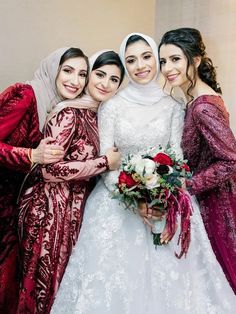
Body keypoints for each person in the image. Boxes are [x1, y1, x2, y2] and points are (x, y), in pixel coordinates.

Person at [51, 33, 236, 314]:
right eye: (131, 60)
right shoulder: (112, 106)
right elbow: (108, 162)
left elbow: (178, 158)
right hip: (115, 201)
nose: (140, 65)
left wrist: (162, 198)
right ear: (125, 66)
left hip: (166, 199)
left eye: (147, 57)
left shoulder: (175, 105)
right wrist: (134, 198)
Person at [17, 50, 125, 314]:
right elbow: (49, 170)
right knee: (43, 288)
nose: (104, 83)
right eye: (99, 74)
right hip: (48, 210)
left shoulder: (99, 115)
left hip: (74, 210)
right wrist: (102, 163)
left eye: (114, 79)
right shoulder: (69, 112)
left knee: (65, 288)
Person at [0, 47, 85, 313]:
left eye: (82, 74)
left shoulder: (57, 106)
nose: (75, 80)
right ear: (54, 70)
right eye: (68, 71)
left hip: (16, 200)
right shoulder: (26, 94)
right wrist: (31, 154)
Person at [158, 27, 236, 294]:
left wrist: (187, 184)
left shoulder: (203, 106)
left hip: (216, 204)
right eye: (164, 61)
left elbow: (231, 161)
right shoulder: (193, 100)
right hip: (206, 199)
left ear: (196, 60)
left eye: (175, 59)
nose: (168, 68)